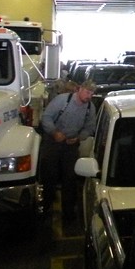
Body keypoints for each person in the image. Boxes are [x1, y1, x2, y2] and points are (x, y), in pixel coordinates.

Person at [39, 79, 97, 223]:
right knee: (49, 176)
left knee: (70, 179)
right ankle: (46, 208)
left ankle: (69, 213)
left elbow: (89, 127)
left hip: (71, 146)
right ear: (79, 89)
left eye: (92, 93)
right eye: (87, 92)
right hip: (52, 143)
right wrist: (54, 132)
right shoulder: (62, 101)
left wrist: (78, 138)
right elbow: (46, 117)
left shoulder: (90, 108)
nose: (89, 96)